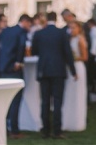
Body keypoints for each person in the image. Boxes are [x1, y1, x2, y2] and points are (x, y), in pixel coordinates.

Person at [32, 11, 76, 139]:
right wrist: (73, 70)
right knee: (57, 101)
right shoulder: (61, 33)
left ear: (46, 19)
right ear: (56, 19)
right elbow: (68, 53)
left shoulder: (39, 33)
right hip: (58, 70)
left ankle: (45, 130)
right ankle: (57, 131)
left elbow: (34, 51)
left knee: (45, 101)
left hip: (44, 70)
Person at [0, 14, 32, 138]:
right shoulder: (21, 32)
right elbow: (22, 45)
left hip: (3, 68)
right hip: (14, 69)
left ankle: (3, 128)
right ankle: (14, 130)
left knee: (4, 100)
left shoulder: (6, 31)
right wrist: (18, 61)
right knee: (15, 100)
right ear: (25, 22)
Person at [61, 21, 88, 131]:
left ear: (79, 29)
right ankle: (67, 121)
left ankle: (77, 122)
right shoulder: (69, 39)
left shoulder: (80, 39)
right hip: (69, 68)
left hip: (78, 67)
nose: (71, 30)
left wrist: (72, 59)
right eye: (70, 28)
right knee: (68, 94)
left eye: (73, 28)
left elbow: (85, 57)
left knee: (77, 94)